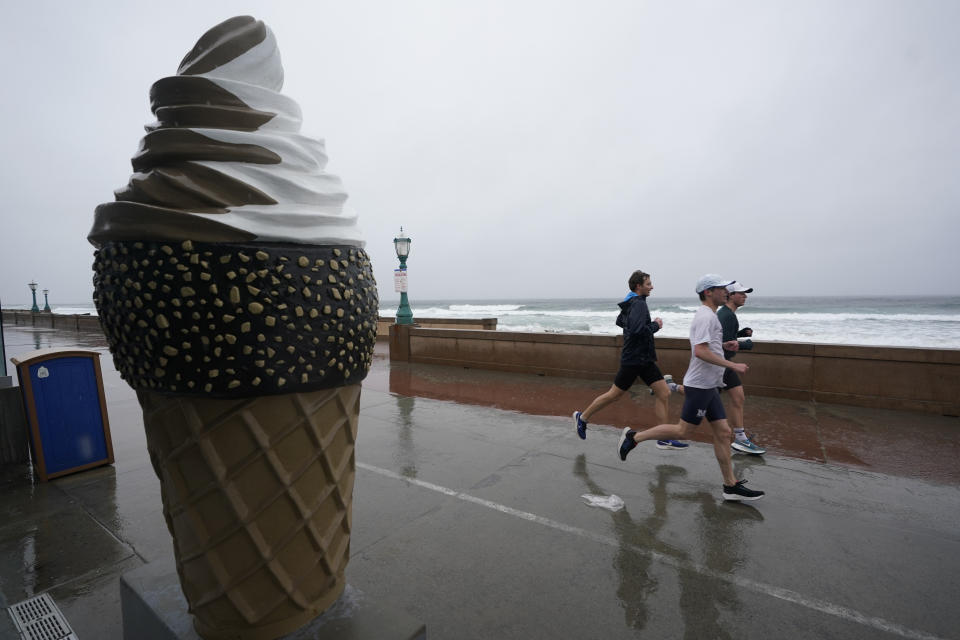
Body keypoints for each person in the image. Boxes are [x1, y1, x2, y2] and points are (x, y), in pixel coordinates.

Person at [617, 274, 765, 501]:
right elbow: (700, 351)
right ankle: (634, 437)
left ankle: (730, 485)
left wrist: (726, 344)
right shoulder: (706, 316)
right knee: (682, 431)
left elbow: (708, 346)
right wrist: (732, 364)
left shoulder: (711, 316)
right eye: (720, 288)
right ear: (708, 292)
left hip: (710, 384)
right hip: (700, 386)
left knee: (724, 433)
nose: (725, 291)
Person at [572, 270, 685, 449]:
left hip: (644, 359)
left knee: (663, 393)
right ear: (638, 286)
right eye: (648, 284)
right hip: (634, 359)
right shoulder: (638, 303)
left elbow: (621, 322)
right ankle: (582, 417)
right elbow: (638, 330)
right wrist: (656, 325)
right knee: (614, 395)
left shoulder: (630, 302)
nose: (652, 287)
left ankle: (663, 437)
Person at [719, 281, 766, 455]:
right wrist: (747, 344)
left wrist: (740, 334)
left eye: (745, 293)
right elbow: (724, 344)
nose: (745, 296)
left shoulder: (727, 314)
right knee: (695, 401)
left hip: (724, 364)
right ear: (730, 295)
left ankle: (740, 438)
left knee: (738, 398)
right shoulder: (727, 315)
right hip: (720, 365)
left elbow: (724, 337)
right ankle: (671, 386)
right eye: (741, 293)